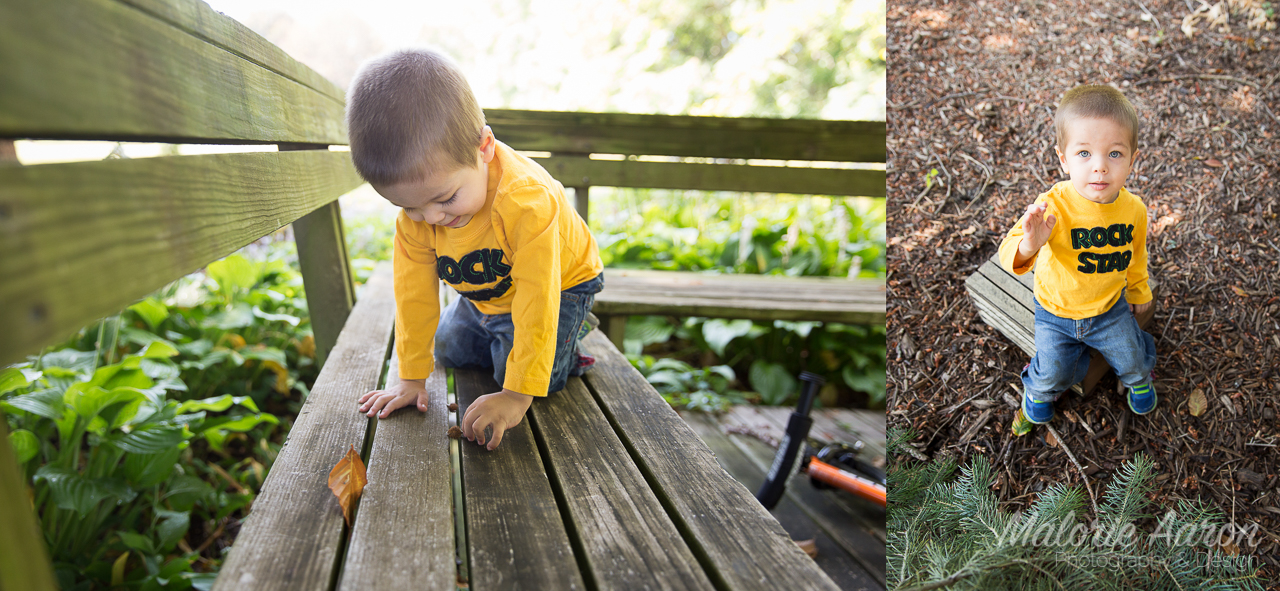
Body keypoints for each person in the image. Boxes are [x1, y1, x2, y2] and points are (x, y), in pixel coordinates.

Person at [348, 49, 603, 450]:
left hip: (559, 285)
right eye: (408, 206)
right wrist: (411, 377)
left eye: (445, 199)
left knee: (528, 377)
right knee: (449, 346)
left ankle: (571, 336)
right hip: (488, 290)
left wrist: (516, 396)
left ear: (484, 148)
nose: (429, 218)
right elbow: (413, 294)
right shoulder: (418, 218)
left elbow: (538, 294)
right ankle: (500, 331)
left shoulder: (525, 202)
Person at [999, 84, 1157, 433]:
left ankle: (1138, 379)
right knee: (1054, 369)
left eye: (1114, 154)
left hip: (1108, 308)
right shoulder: (1053, 205)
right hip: (1056, 311)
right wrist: (1029, 244)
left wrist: (1139, 290)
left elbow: (1136, 254)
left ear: (1133, 158)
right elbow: (1008, 253)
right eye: (1084, 154)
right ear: (1063, 158)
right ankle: (1037, 392)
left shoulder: (1134, 210)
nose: (1099, 168)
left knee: (1130, 355)